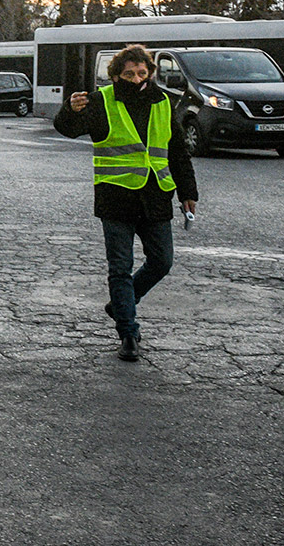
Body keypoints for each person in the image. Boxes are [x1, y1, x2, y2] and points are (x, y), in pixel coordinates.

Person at [54, 43, 198, 362]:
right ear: (117, 75)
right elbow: (69, 129)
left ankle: (121, 303)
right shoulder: (102, 101)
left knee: (162, 261)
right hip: (116, 196)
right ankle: (128, 332)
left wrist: (189, 193)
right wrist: (69, 110)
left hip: (156, 195)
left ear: (150, 73)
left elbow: (177, 152)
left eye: (142, 72)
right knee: (120, 268)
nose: (136, 78)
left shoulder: (163, 102)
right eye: (129, 73)